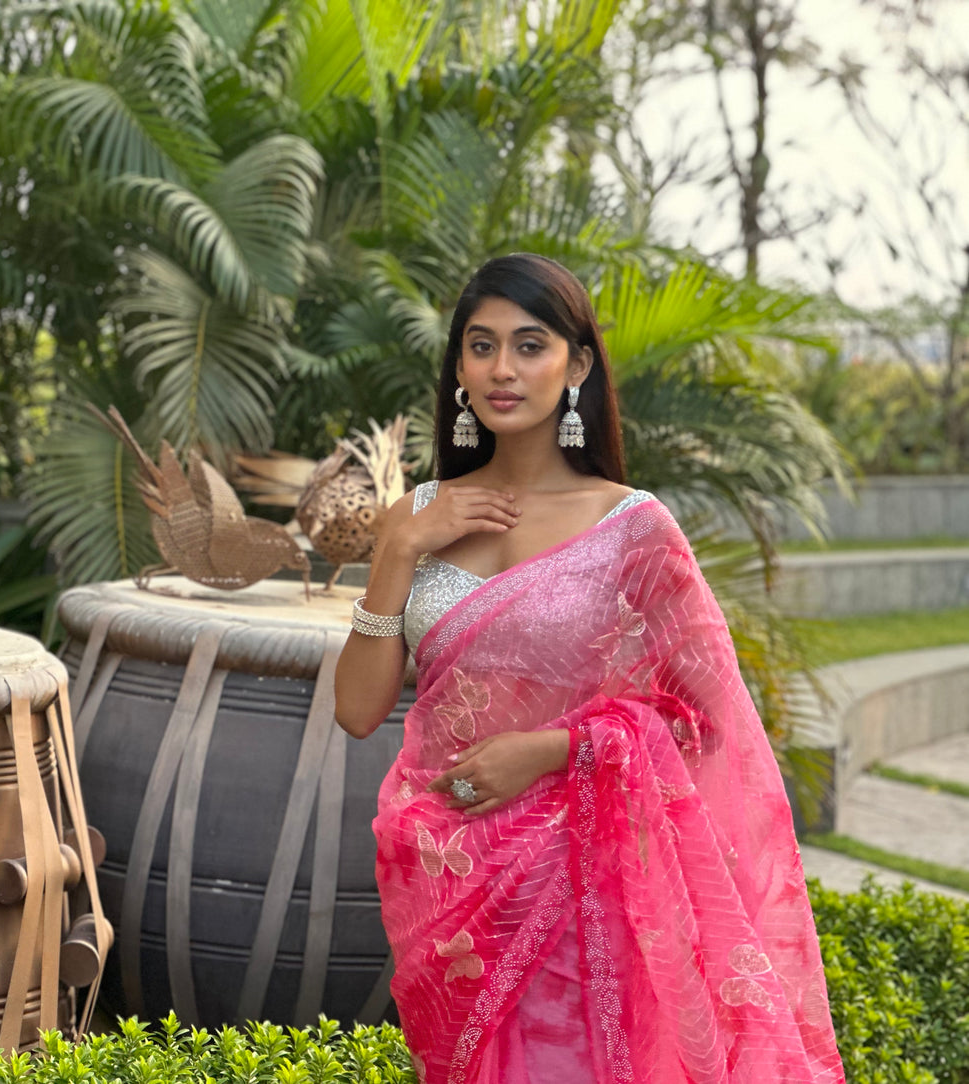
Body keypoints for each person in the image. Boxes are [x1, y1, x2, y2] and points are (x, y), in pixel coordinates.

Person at [333, 254, 845, 1083]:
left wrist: (551, 750)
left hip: (583, 880)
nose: (502, 369)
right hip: (448, 872)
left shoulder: (630, 527)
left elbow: (707, 718)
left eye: (529, 345)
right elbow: (357, 711)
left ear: (575, 366)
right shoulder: (417, 517)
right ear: (458, 368)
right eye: (481, 345)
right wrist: (395, 549)